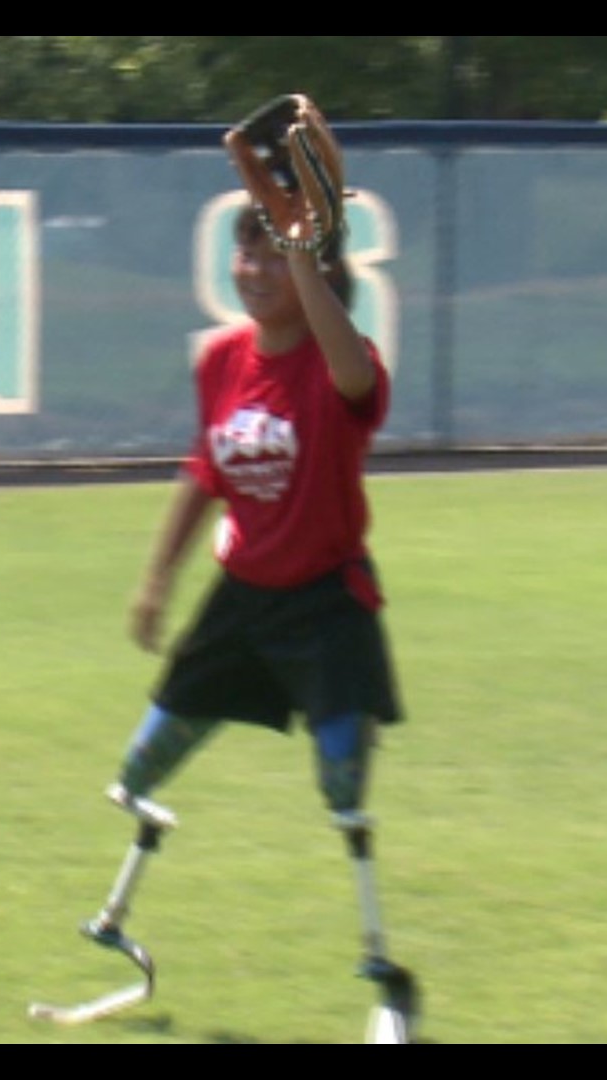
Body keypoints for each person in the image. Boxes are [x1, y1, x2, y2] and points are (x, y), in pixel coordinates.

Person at [65, 201, 414, 1020]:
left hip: (326, 602)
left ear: (318, 273)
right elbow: (206, 471)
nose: (252, 272)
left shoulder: (345, 363)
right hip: (240, 604)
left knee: (342, 788)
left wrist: (307, 254)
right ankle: (115, 917)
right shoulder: (222, 358)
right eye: (244, 255)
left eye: (274, 258)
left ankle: (382, 971)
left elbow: (356, 379)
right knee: (137, 773)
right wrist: (156, 578)